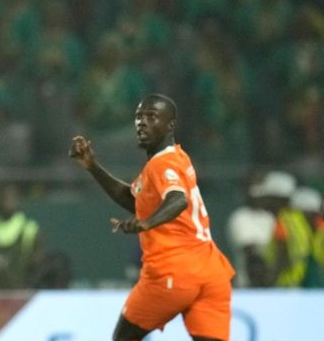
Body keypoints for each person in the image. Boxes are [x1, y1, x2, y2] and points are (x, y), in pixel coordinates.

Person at [69, 94, 234, 341]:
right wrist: (92, 166)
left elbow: (178, 199)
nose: (141, 123)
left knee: (124, 337)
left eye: (151, 116)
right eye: (138, 117)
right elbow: (132, 200)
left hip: (173, 271)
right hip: (211, 272)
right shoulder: (176, 158)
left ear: (170, 125)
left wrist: (148, 223)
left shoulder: (162, 165)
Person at [226, 170, 292, 287]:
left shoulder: (270, 218)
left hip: (273, 283)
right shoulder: (240, 217)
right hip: (247, 284)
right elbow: (252, 253)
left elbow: (282, 249)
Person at [0, 184, 42, 288]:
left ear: (19, 200)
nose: (8, 201)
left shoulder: (30, 229)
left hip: (21, 291)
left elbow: (37, 262)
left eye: (12, 197)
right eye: (5, 197)